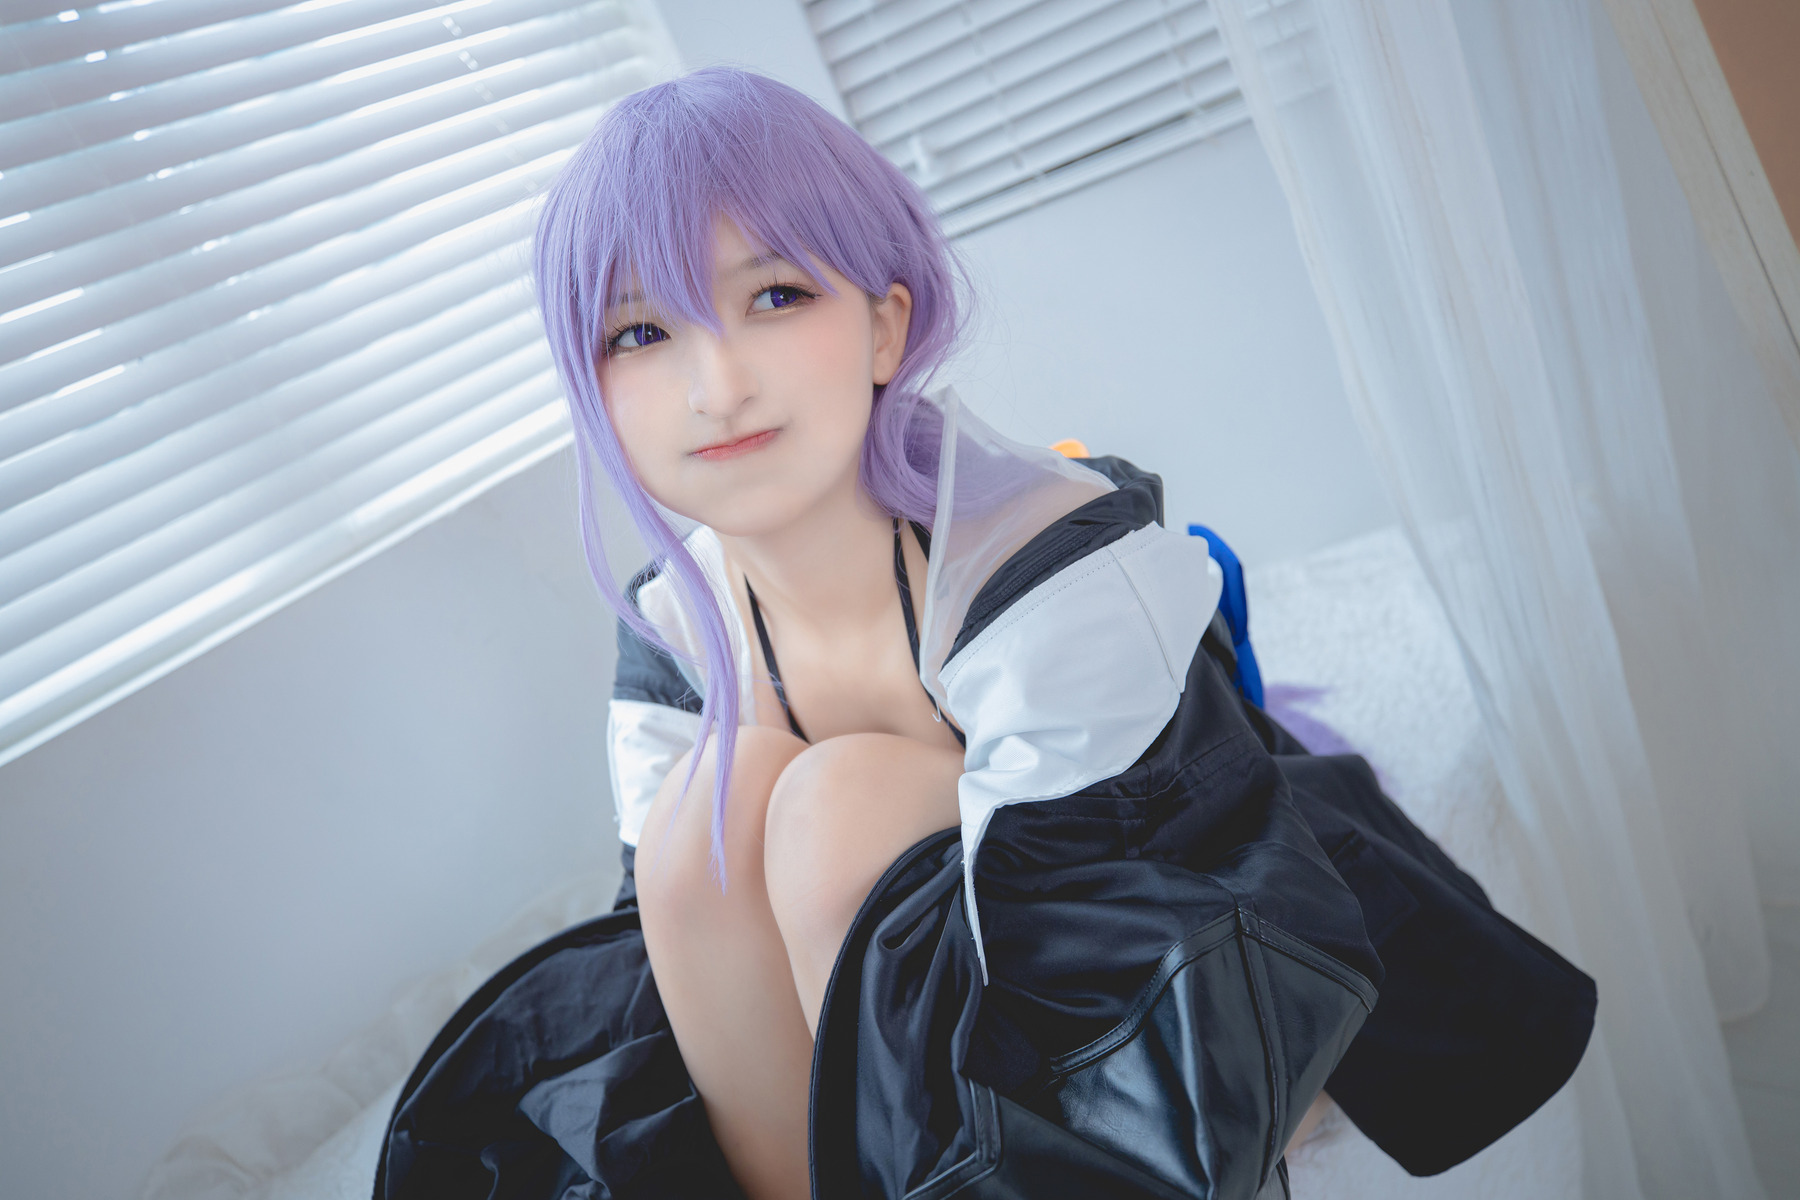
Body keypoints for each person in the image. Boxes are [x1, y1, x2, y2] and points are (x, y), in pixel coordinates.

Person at [375, 67, 1597, 1200]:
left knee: (833, 810)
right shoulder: (673, 626)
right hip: (873, 1052)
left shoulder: (1044, 561)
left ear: (886, 326)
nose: (716, 384)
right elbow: (686, 957)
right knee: (701, 823)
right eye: (641, 333)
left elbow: (1160, 932)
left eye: (775, 296)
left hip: (1129, 943)